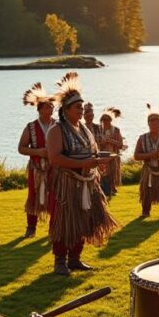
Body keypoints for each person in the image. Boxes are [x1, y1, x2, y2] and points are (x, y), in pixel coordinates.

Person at [46, 73, 118, 275]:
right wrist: (85, 162)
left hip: (87, 182)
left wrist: (97, 162)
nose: (82, 110)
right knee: (65, 221)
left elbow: (92, 152)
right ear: (66, 109)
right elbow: (54, 158)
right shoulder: (57, 130)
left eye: (82, 106)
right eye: (78, 107)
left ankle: (75, 258)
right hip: (67, 184)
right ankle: (60, 261)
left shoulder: (84, 129)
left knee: (83, 219)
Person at [17, 82, 56, 239]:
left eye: (51, 107)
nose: (49, 110)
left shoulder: (58, 125)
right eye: (46, 107)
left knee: (55, 197)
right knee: (33, 197)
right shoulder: (31, 127)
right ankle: (31, 228)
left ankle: (54, 229)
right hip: (37, 169)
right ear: (39, 110)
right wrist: (38, 152)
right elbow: (21, 148)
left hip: (55, 169)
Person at [95, 107, 124, 197]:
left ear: (110, 120)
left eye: (107, 120)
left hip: (113, 154)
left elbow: (120, 144)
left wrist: (110, 141)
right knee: (104, 172)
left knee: (113, 172)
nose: (105, 121)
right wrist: (102, 142)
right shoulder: (99, 130)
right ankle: (105, 188)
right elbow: (96, 143)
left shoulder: (116, 130)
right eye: (103, 120)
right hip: (102, 155)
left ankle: (113, 188)